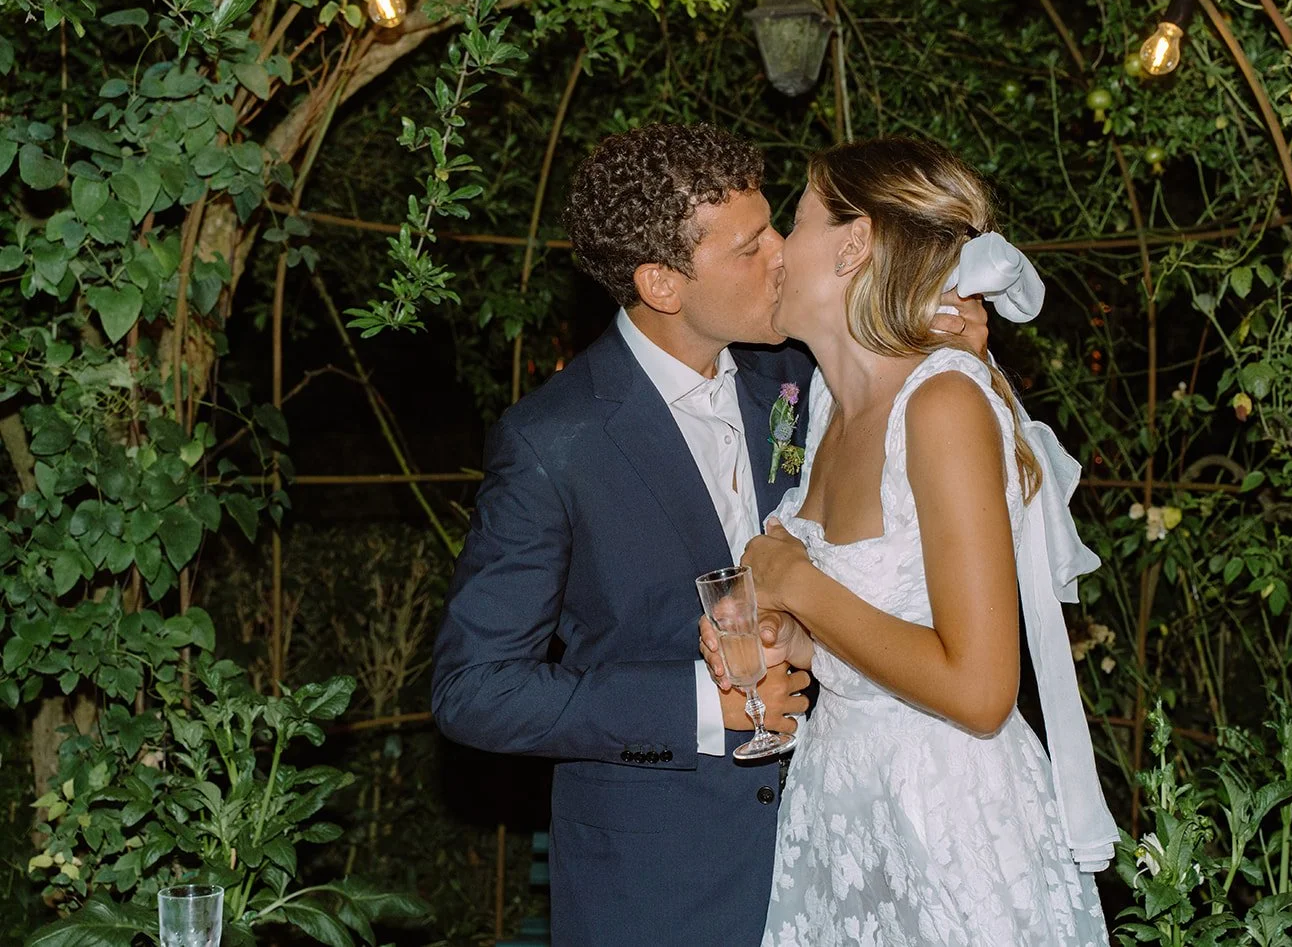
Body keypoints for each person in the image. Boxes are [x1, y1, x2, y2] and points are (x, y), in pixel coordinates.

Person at [430, 124, 987, 945]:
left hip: (845, 852)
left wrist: (944, 344)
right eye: (750, 246)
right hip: (658, 887)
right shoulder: (555, 441)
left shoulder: (803, 381)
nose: (783, 257)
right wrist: (702, 703)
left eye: (777, 228)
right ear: (662, 282)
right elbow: (474, 687)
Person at [701, 136, 1118, 945]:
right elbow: (872, 627)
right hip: (840, 810)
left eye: (795, 220)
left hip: (947, 818)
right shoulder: (825, 403)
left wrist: (799, 586)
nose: (779, 249)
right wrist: (795, 639)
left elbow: (981, 688)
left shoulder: (944, 404)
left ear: (855, 243)